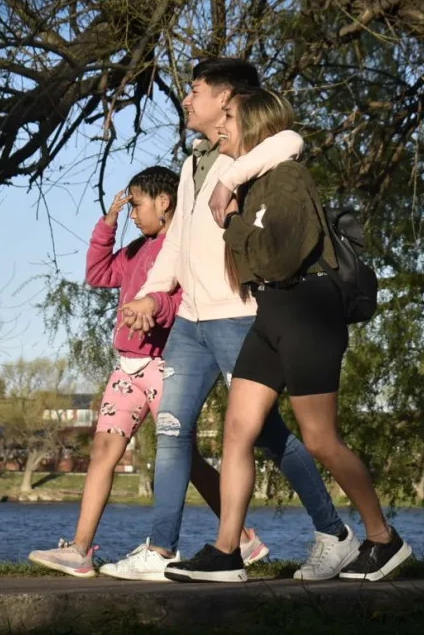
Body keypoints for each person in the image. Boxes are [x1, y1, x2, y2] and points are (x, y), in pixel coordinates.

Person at [103, 59, 359, 583]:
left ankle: (333, 532)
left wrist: (231, 178)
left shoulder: (253, 150)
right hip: (189, 324)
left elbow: (291, 140)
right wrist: (153, 294)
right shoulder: (193, 163)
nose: (186, 99)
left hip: (239, 318)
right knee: (172, 429)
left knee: (267, 436)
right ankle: (161, 549)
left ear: (225, 99)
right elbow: (176, 242)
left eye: (195, 90)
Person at [164, 89, 412, 583]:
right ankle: (227, 553)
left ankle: (384, 539)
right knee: (238, 431)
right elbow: (255, 264)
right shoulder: (252, 181)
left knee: (320, 439)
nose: (221, 127)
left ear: (253, 125)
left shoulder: (288, 179)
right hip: (272, 312)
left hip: (308, 311)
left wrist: (230, 221)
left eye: (229, 118)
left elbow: (275, 257)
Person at [27, 166, 267, 579]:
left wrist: (155, 307)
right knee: (103, 451)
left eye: (136, 205)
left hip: (163, 364)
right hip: (127, 367)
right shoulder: (136, 250)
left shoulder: (184, 249)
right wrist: (107, 225)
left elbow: (184, 301)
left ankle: (243, 537)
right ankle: (80, 551)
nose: (133, 214)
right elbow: (98, 274)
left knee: (184, 457)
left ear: (164, 202)